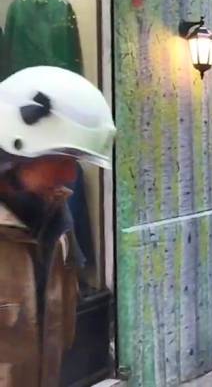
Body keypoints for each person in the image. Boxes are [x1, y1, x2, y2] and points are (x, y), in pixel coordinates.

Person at [0, 66, 116, 386]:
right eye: (62, 158)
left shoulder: (57, 223)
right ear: (16, 147)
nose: (70, 176)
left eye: (75, 160)